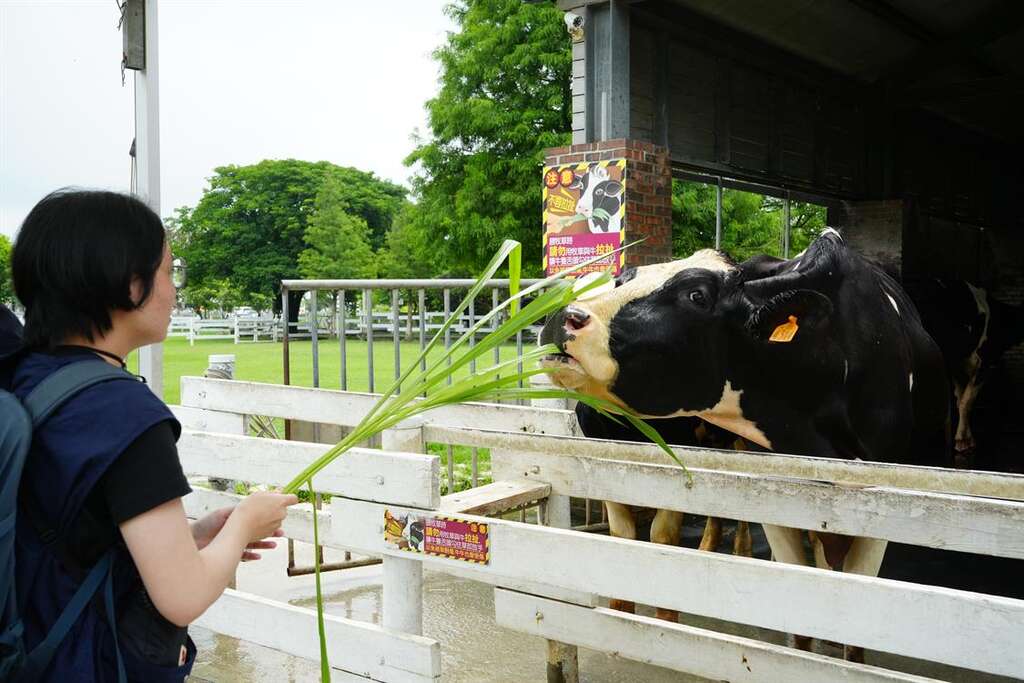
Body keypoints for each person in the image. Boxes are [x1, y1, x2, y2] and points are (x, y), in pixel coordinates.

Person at [9, 189, 298, 681]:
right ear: (129, 283)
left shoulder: (22, 377)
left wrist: (194, 537)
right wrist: (246, 523)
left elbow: (68, 534)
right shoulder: (125, 414)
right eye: (168, 271)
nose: (174, 290)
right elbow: (182, 596)